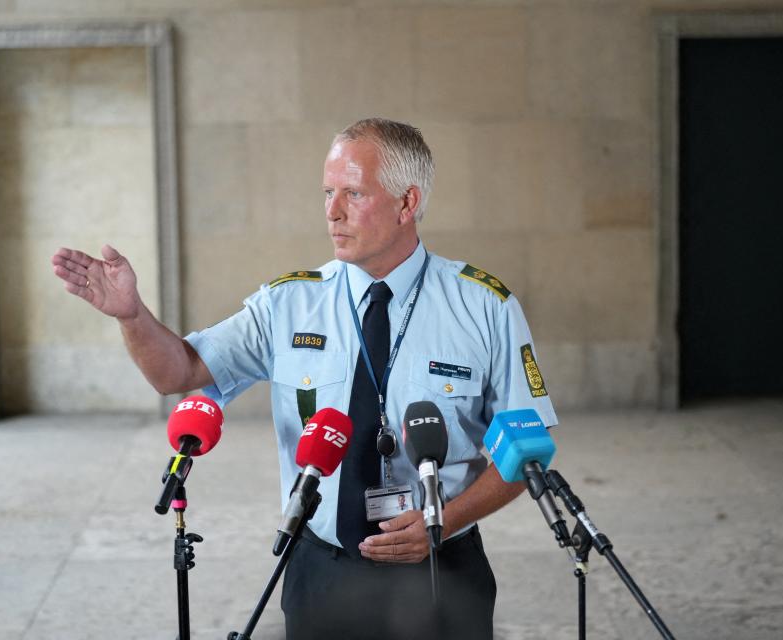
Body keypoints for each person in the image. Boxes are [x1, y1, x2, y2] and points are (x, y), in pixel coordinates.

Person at [51, 117, 557, 639]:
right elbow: (177, 370)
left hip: (443, 567)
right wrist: (131, 316)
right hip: (322, 571)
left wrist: (442, 521)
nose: (332, 212)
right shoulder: (289, 304)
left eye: (353, 193)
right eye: (327, 192)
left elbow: (529, 447)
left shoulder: (483, 307)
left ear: (408, 204)